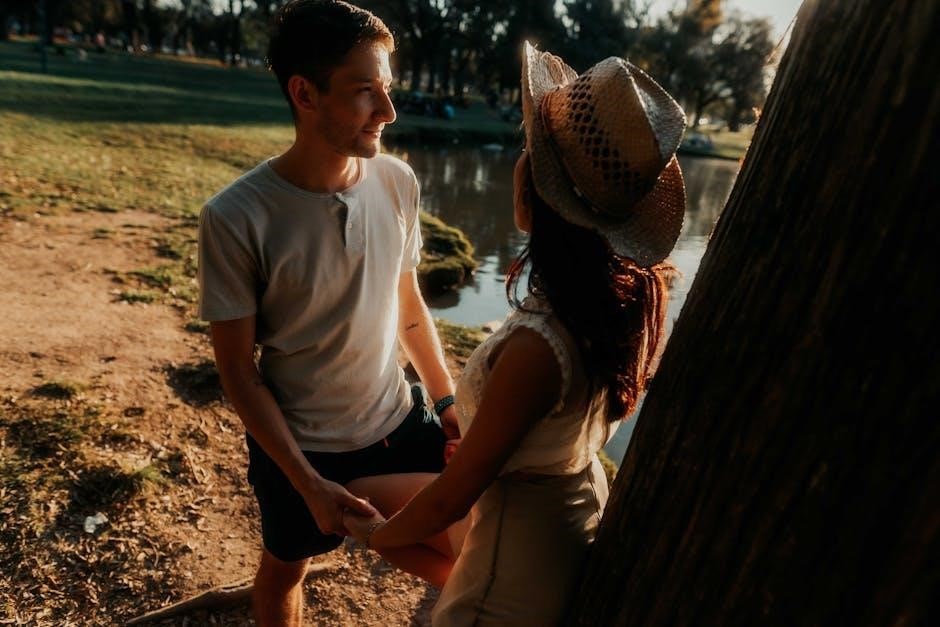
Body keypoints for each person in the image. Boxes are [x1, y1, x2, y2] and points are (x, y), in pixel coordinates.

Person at [343, 41, 688, 625]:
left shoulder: (538, 345)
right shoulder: (616, 301)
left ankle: (471, 597)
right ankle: (464, 585)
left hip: (515, 552)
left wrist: (375, 538)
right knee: (367, 486)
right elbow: (552, 420)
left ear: (538, 188)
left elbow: (451, 499)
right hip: (562, 508)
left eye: (529, 149)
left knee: (375, 513)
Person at [196, 1, 461, 624]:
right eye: (365, 91)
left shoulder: (397, 181)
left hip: (402, 420)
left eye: (387, 88)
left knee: (476, 547)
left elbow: (408, 304)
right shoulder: (234, 217)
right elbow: (239, 372)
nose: (388, 111)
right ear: (304, 94)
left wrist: (448, 403)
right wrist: (308, 483)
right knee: (285, 569)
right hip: (304, 450)